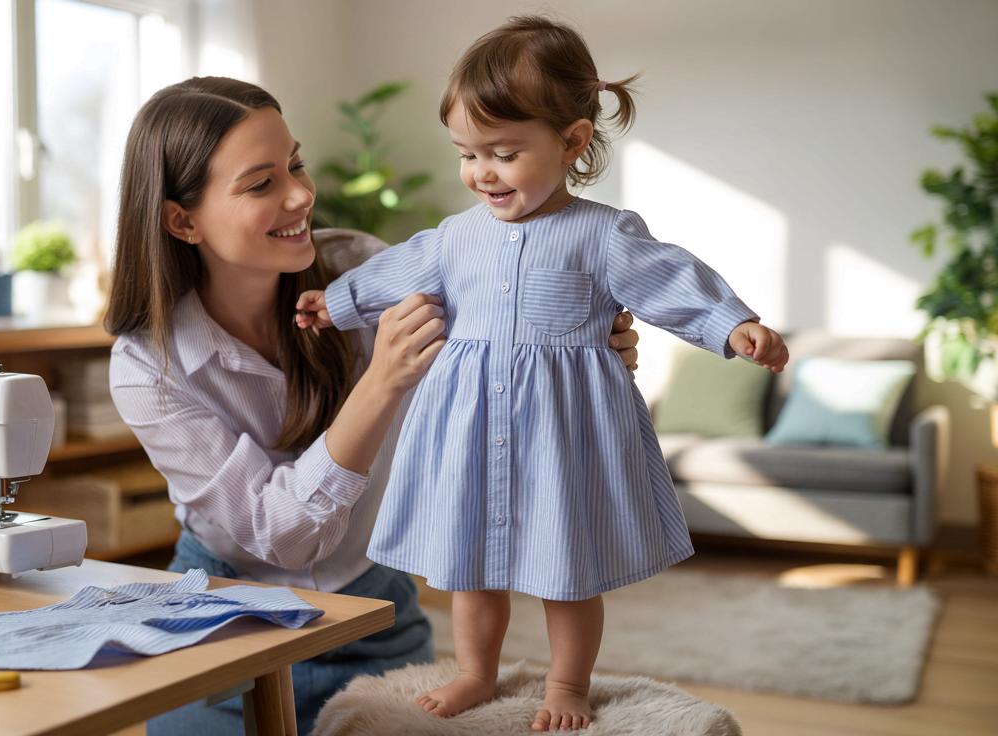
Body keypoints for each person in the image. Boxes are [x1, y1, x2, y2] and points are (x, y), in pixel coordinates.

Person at [104, 75, 643, 735]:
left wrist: (583, 345)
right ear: (181, 219)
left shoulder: (362, 269)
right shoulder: (147, 364)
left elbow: (503, 365)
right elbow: (285, 535)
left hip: (372, 618)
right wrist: (382, 381)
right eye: (260, 183)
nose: (302, 194)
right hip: (221, 623)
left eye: (296, 165)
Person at [295, 16, 789, 732]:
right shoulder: (455, 237)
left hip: (565, 438)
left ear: (572, 141)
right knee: (468, 567)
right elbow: (394, 270)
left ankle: (568, 684)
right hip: (468, 432)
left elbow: (671, 280)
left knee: (568, 571)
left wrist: (730, 324)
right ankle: (474, 671)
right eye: (467, 154)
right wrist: (335, 301)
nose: (481, 172)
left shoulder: (603, 234)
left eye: (503, 152)